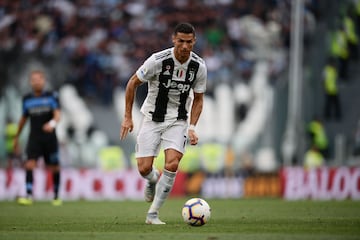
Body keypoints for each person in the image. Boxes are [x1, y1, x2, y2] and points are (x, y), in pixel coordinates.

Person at [120, 22, 207, 224]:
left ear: (194, 41)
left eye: (189, 42)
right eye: (181, 41)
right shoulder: (158, 61)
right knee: (143, 168)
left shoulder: (198, 66)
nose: (185, 46)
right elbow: (133, 82)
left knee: (173, 163)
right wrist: (127, 116)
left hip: (178, 121)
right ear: (173, 40)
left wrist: (192, 127)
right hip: (152, 118)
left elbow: (199, 98)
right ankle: (152, 179)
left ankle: (153, 214)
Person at [13, 70, 62, 206]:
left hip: (50, 138)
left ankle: (56, 196)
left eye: (39, 79)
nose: (36, 82)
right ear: (30, 82)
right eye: (33, 79)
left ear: (43, 80)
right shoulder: (27, 99)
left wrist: (51, 124)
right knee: (29, 165)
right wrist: (16, 137)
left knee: (55, 167)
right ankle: (29, 195)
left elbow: (58, 115)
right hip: (34, 138)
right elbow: (23, 119)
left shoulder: (52, 96)